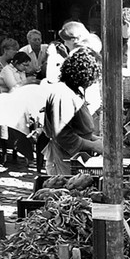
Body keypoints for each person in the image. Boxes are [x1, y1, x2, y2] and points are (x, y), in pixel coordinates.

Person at [42, 47, 104, 176]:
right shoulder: (62, 94)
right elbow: (63, 135)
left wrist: (93, 138)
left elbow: (77, 127)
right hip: (63, 160)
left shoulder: (74, 90)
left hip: (76, 158)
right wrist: (93, 146)